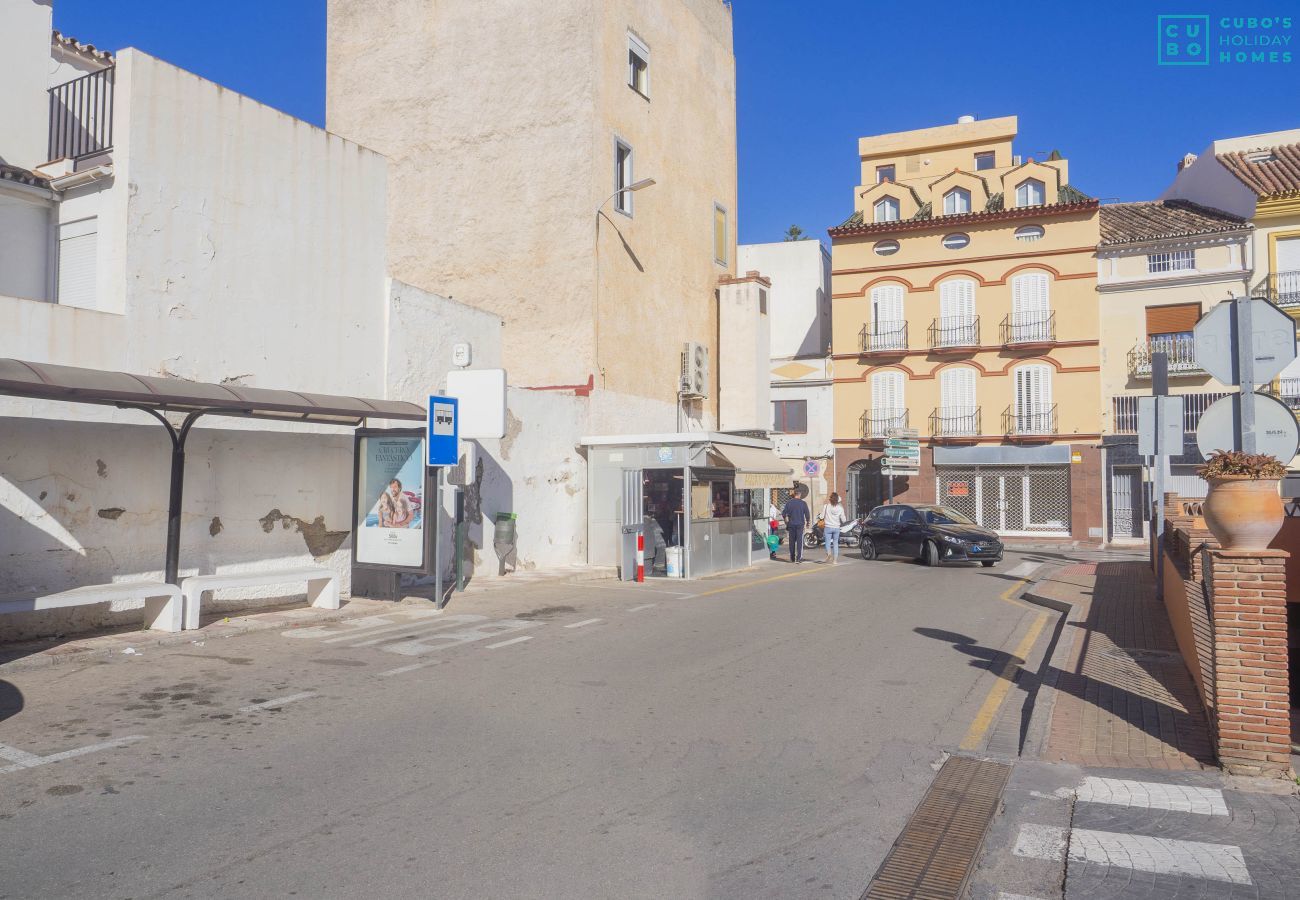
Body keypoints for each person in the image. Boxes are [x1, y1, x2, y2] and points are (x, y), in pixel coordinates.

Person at [782, 491, 812, 563]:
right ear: (799, 495)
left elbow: (784, 513)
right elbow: (807, 514)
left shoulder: (789, 503)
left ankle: (792, 557)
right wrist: (808, 522)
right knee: (799, 541)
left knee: (791, 541)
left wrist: (786, 521)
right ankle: (798, 558)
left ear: (794, 495)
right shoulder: (803, 503)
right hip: (800, 525)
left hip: (791, 524)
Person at [820, 492, 847, 564]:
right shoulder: (840, 508)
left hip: (828, 527)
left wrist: (821, 517)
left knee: (827, 542)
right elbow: (844, 520)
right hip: (836, 528)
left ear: (830, 499)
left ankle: (829, 554)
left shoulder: (826, 506)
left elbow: (821, 516)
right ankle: (835, 560)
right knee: (835, 544)